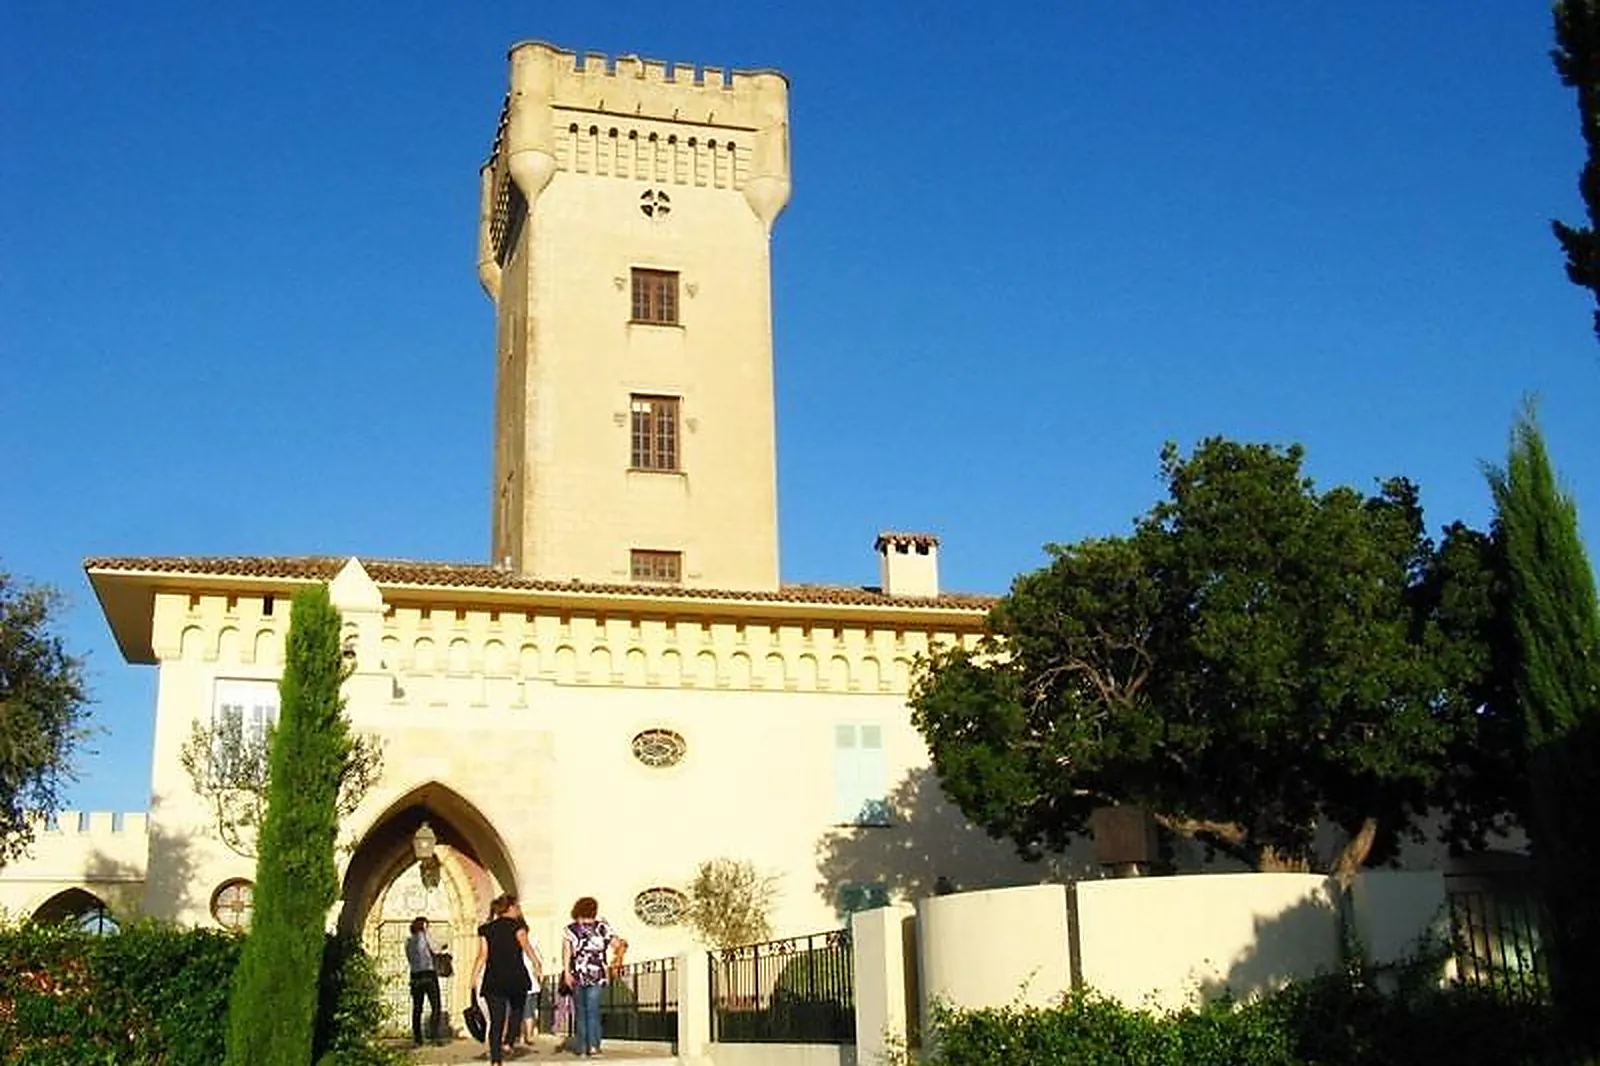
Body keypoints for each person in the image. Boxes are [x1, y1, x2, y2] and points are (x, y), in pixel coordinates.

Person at [473, 894, 544, 1065]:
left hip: (494, 978)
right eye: (517, 907)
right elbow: (526, 947)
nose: (518, 911)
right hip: (515, 976)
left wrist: (473, 977)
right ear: (510, 908)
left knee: (496, 1020)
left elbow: (483, 955)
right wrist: (537, 964)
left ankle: (496, 1060)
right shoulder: (518, 927)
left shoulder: (486, 929)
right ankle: (509, 1041)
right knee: (517, 1010)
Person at [562, 897, 628, 1058]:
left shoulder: (570, 929)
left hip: (578, 973)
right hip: (598, 973)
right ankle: (593, 1046)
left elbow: (566, 952)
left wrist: (566, 972)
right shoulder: (602, 927)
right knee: (593, 1009)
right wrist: (618, 958)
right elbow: (619, 944)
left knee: (581, 1011)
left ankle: (583, 1047)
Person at [405, 916, 442, 1046]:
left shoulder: (409, 941)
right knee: (436, 1006)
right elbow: (436, 949)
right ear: (424, 926)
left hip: (415, 975)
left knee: (417, 1007)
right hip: (428, 974)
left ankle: (417, 1038)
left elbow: (409, 958)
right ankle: (434, 1036)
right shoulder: (425, 937)